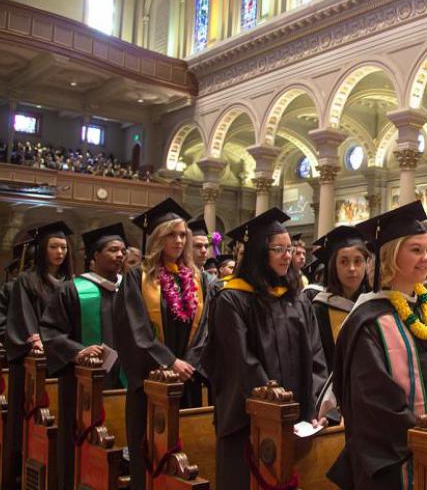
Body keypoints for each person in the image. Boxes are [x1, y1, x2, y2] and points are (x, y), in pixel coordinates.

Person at [328, 201, 427, 489]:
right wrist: (423, 437)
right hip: (393, 462)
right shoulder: (368, 320)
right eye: (416, 250)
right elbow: (373, 400)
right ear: (391, 256)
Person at [201, 208, 327, 488]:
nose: (287, 256)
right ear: (259, 252)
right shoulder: (231, 300)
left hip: (297, 423)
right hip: (248, 423)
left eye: (290, 249)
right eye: (278, 249)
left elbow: (317, 355)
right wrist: (276, 411)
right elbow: (242, 364)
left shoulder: (297, 300)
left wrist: (314, 405)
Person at [115, 198, 211, 490]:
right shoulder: (136, 277)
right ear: (157, 238)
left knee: (188, 457)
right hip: (151, 380)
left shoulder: (197, 278)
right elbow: (135, 329)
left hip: (188, 380)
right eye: (171, 234)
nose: (179, 240)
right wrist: (169, 361)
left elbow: (205, 327)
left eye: (183, 235)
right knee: (150, 454)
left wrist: (190, 364)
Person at [40, 223, 128, 488]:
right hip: (83, 385)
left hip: (125, 383)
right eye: (113, 250)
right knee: (81, 442)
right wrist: (78, 351)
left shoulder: (129, 290)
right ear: (95, 256)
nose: (120, 255)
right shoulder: (72, 289)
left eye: (122, 250)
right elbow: (50, 331)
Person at [3, 222, 74, 487]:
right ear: (43, 250)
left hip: (62, 355)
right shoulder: (27, 280)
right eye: (54, 247)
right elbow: (22, 315)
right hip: (36, 358)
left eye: (64, 247)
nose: (60, 252)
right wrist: (34, 337)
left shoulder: (71, 283)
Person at [309, 225, 371, 368]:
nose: (351, 268)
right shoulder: (319, 310)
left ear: (366, 264)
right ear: (334, 266)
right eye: (344, 261)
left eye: (358, 261)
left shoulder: (374, 304)